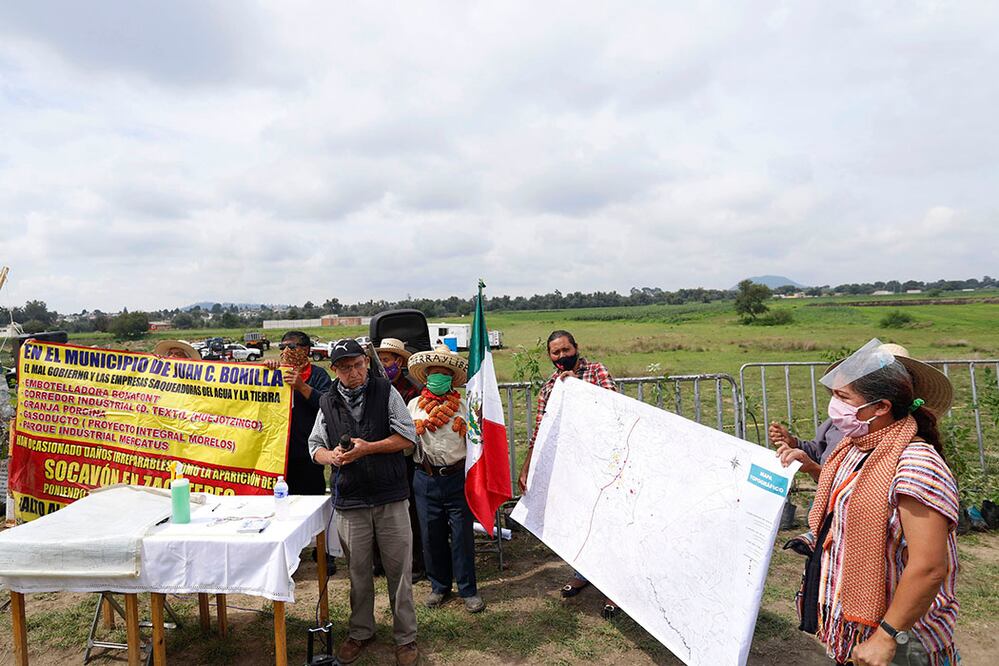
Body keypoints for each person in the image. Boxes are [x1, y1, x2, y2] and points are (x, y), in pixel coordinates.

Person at [791, 339, 959, 666]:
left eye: (842, 398)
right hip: (856, 627)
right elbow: (844, 507)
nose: (833, 407)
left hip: (901, 640)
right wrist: (812, 468)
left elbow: (928, 567)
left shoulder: (916, 466)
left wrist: (885, 636)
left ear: (881, 407)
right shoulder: (855, 449)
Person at [308, 339, 420, 666]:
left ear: (366, 363)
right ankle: (361, 632)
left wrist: (367, 448)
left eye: (358, 365)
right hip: (351, 499)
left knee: (400, 571)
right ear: (335, 370)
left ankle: (405, 638)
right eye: (346, 367)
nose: (354, 372)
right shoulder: (327, 401)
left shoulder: (386, 392)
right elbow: (315, 446)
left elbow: (406, 437)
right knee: (357, 573)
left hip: (390, 496)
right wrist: (331, 455)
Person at [516, 330, 619, 618]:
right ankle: (582, 573)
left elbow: (614, 408)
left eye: (565, 350)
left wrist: (579, 390)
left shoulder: (596, 372)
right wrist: (527, 467)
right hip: (571, 467)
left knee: (606, 524)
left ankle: (613, 588)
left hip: (603, 463)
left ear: (576, 348)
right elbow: (541, 430)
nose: (562, 356)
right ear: (550, 356)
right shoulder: (550, 387)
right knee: (578, 522)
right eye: (556, 353)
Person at [406, 346, 484, 613]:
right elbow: (406, 445)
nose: (438, 378)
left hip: (456, 478)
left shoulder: (464, 406)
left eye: (444, 374)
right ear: (425, 376)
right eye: (434, 373)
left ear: (452, 378)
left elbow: (477, 443)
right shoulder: (413, 406)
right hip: (425, 477)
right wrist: (411, 435)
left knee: (462, 535)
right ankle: (439, 586)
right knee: (431, 534)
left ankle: (467, 589)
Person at [771, 344, 911, 482]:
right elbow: (819, 451)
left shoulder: (904, 456)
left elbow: (851, 492)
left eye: (843, 397)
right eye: (834, 395)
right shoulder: (846, 424)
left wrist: (813, 468)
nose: (836, 404)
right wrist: (794, 443)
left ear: (881, 406)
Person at [262, 331, 334, 497]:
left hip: (307, 455)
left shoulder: (318, 375)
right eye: (283, 347)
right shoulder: (275, 373)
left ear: (306, 349)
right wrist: (265, 371)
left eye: (292, 346)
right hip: (277, 456)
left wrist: (302, 386)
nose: (287, 351)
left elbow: (327, 406)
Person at [376, 338, 425, 582]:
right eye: (380, 360)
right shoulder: (374, 387)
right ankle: (380, 562)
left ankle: (417, 563)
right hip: (379, 457)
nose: (383, 365)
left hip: (405, 459)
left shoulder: (412, 390)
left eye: (386, 360)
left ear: (399, 361)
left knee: (411, 512)